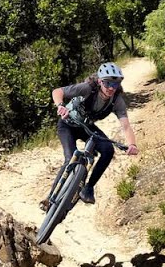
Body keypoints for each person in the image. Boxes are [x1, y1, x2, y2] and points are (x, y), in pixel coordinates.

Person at [50, 61, 139, 204]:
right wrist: (60, 106)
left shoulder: (117, 101)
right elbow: (57, 91)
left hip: (86, 127)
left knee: (108, 150)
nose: (111, 88)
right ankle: (50, 198)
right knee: (70, 158)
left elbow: (126, 126)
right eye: (107, 83)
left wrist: (132, 144)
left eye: (115, 85)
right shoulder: (87, 88)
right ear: (100, 81)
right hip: (67, 125)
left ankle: (88, 188)